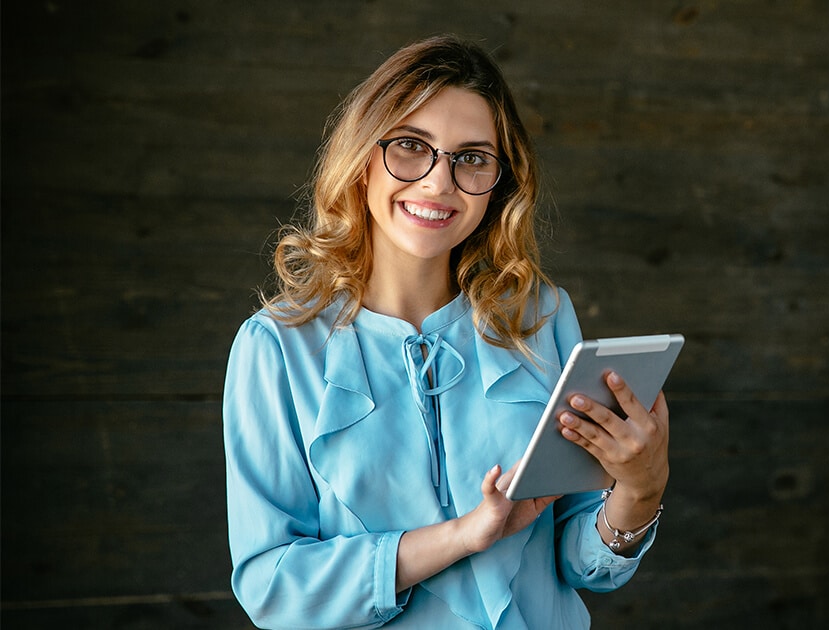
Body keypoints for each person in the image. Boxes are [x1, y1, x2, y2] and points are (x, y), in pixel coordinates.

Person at [222, 35, 670, 629]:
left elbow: (579, 562)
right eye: (411, 147)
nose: (439, 183)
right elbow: (272, 587)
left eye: (472, 157)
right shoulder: (276, 348)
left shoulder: (541, 318)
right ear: (362, 157)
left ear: (499, 181)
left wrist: (641, 488)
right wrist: (462, 537)